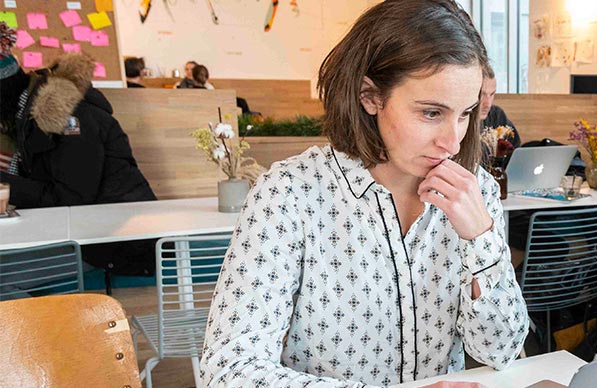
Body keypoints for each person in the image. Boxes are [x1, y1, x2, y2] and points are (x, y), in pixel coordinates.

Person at [199, 1, 529, 387]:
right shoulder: (290, 193)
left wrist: (481, 237)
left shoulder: (476, 191)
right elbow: (229, 371)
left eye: (465, 113)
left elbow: (501, 350)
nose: (452, 142)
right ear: (369, 96)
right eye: (431, 113)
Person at [0, 28, 159, 277]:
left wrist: (6, 185)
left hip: (114, 245)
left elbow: (71, 201)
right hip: (83, 235)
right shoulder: (26, 120)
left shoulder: (71, 119)